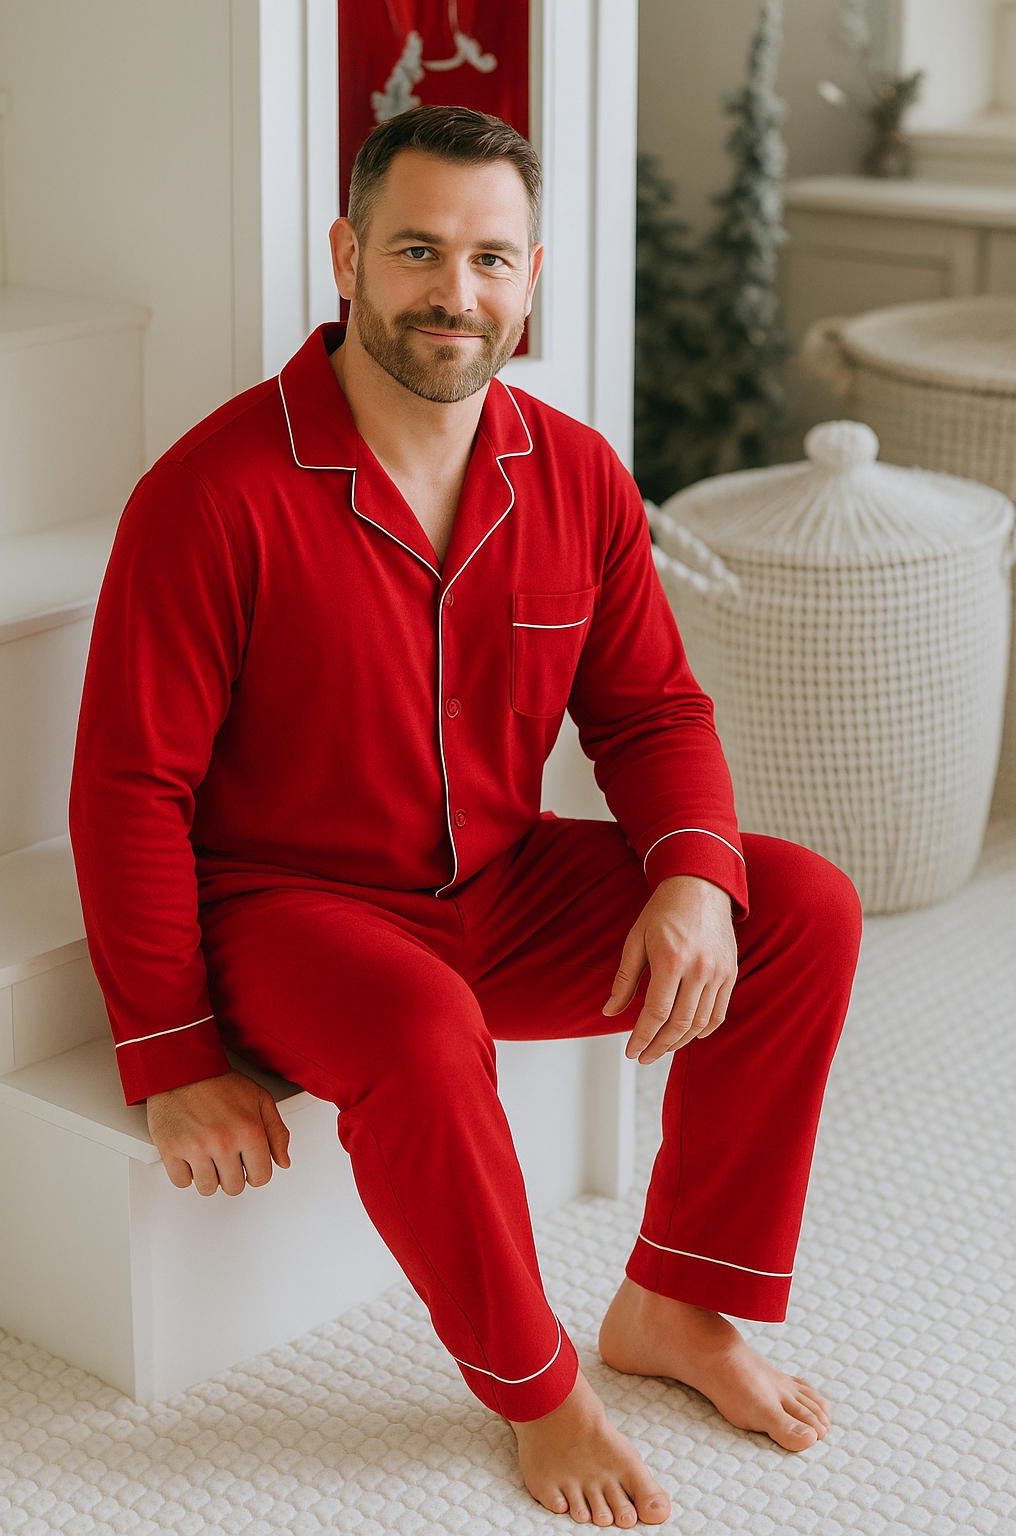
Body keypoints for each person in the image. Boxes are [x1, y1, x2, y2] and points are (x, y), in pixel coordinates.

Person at [70, 105, 862, 1528]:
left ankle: (678, 1305)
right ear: (348, 256)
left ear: (533, 273)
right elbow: (129, 787)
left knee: (794, 904)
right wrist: (175, 1051)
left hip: (496, 884)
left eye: (492, 258)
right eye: (420, 250)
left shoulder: (575, 473)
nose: (456, 292)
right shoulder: (208, 496)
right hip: (290, 911)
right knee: (424, 1024)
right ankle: (541, 1388)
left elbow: (654, 715)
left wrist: (690, 874)